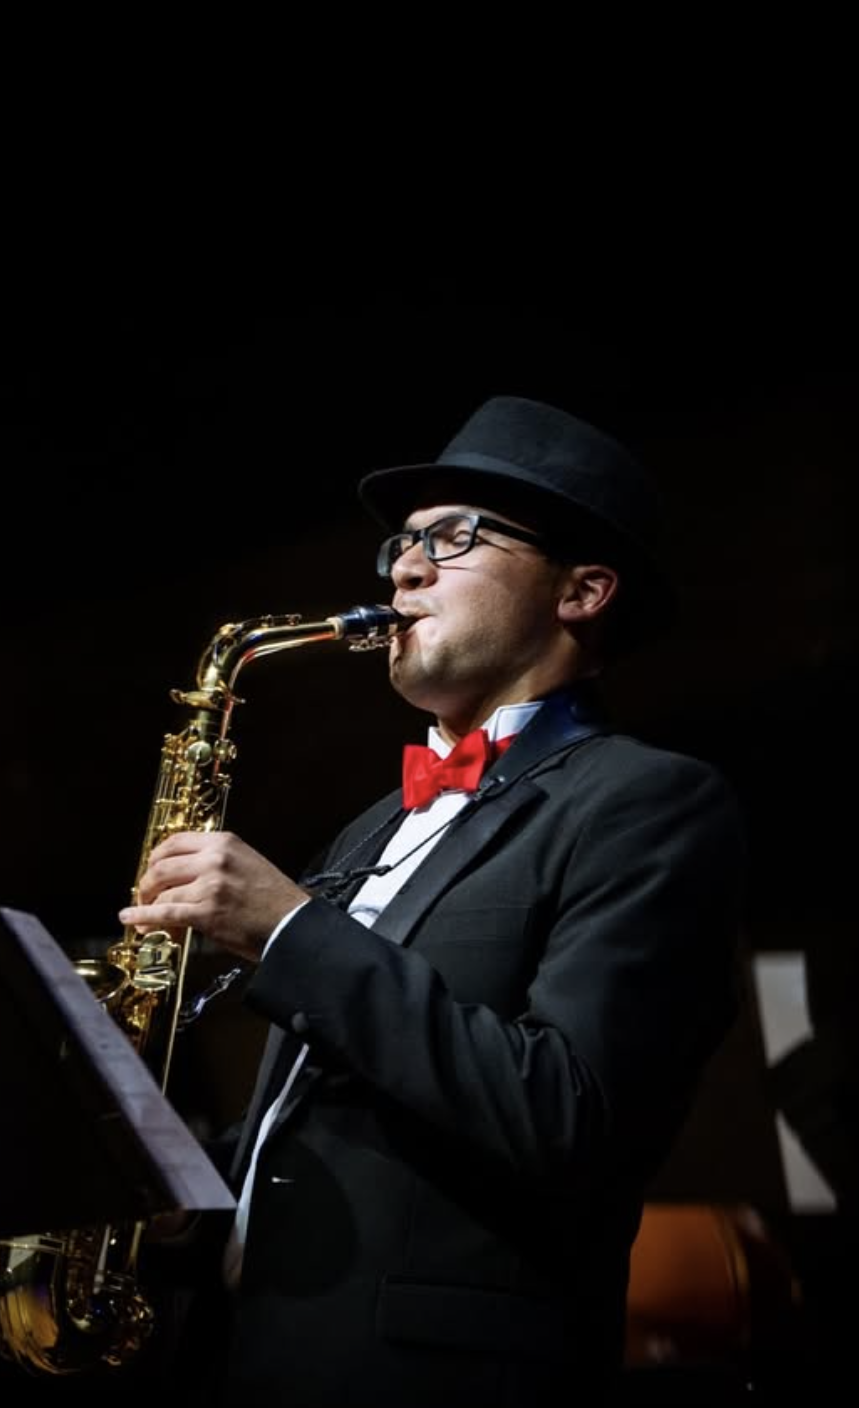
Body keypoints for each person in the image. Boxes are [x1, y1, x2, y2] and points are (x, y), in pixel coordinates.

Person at [122, 394, 747, 1407]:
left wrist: (287, 931)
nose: (405, 567)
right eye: (403, 544)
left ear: (582, 590)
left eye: (453, 538)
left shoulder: (649, 801)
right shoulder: (374, 828)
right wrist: (175, 1198)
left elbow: (569, 1114)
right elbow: (330, 1122)